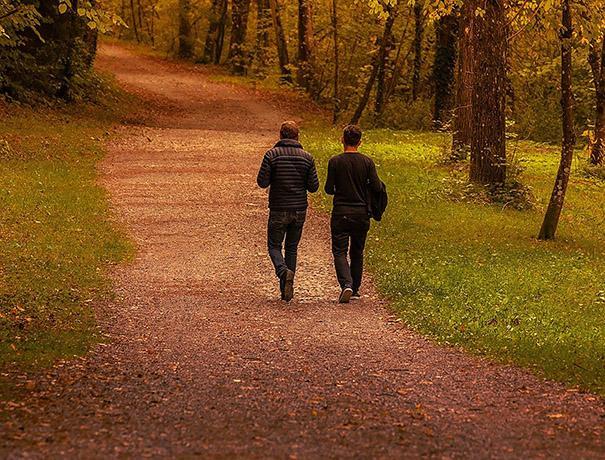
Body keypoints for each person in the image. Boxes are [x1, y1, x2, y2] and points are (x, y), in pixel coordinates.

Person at [257, 121, 319, 302]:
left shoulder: (272, 155)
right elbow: (313, 187)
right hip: (299, 209)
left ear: (280, 135)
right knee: (292, 247)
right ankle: (286, 290)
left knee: (274, 246)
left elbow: (262, 182)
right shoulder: (307, 158)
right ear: (297, 136)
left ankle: (283, 272)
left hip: (278, 208)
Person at [325, 125, 382, 304]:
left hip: (341, 212)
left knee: (339, 251)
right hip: (361, 213)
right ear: (360, 142)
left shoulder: (335, 161)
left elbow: (328, 189)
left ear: (342, 139)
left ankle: (346, 284)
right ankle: (355, 288)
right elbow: (377, 187)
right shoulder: (367, 162)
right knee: (357, 251)